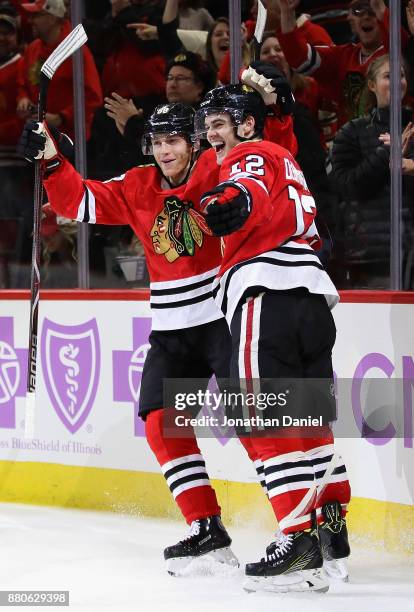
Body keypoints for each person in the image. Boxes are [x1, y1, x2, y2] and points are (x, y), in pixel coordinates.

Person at [18, 103, 239, 576]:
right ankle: (206, 527)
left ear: (194, 141)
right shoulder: (138, 184)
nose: (164, 151)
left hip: (224, 316)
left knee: (259, 419)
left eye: (173, 141)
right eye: (157, 143)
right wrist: (53, 160)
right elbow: (77, 202)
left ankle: (308, 522)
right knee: (162, 424)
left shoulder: (219, 167)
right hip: (172, 328)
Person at [194, 84, 351, 592]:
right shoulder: (286, 157)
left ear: (244, 124)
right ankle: (331, 530)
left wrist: (231, 203)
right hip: (311, 300)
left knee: (260, 418)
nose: (210, 133)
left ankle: (297, 544)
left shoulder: (252, 153)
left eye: (219, 122)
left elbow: (249, 187)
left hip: (267, 294)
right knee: (308, 422)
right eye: (208, 125)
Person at [331, 54, 414, 288]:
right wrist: (387, 153)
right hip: (370, 258)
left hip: (412, 253)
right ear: (371, 85)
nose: (398, 81)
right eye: (389, 76)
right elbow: (347, 188)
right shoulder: (351, 133)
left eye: (402, 75)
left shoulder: (413, 129)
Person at [16, 0, 102, 140]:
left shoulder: (77, 52)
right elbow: (22, 82)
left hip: (69, 141)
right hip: (39, 138)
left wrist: (62, 117)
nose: (30, 21)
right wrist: (23, 98)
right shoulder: (33, 48)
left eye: (36, 16)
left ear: (52, 18)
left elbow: (92, 97)